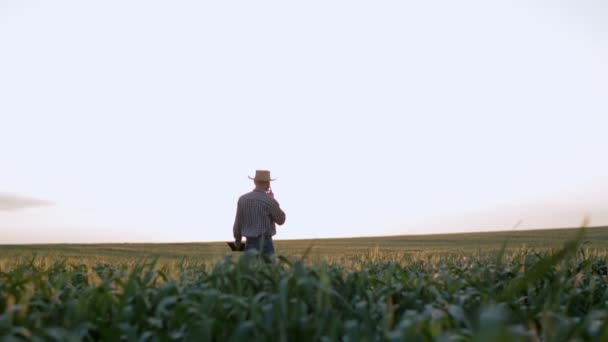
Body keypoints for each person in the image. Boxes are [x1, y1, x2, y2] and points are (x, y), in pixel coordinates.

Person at [233, 170, 286, 256]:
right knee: (268, 269)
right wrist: (273, 200)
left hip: (249, 243)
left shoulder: (242, 199)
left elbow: (238, 223)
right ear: (268, 183)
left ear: (254, 182)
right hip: (266, 244)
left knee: (251, 269)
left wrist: (238, 241)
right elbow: (281, 220)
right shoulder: (269, 200)